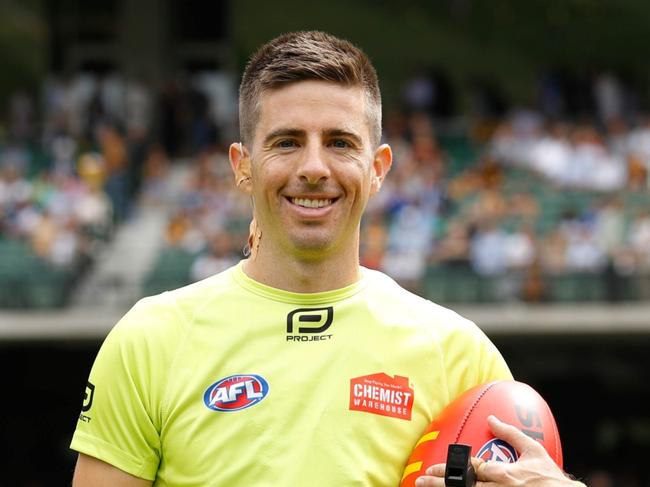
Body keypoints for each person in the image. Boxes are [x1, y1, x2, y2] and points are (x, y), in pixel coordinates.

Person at [70, 31, 584, 487]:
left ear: (378, 167)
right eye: (287, 142)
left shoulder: (459, 354)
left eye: (339, 143)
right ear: (242, 166)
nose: (314, 168)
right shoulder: (150, 339)